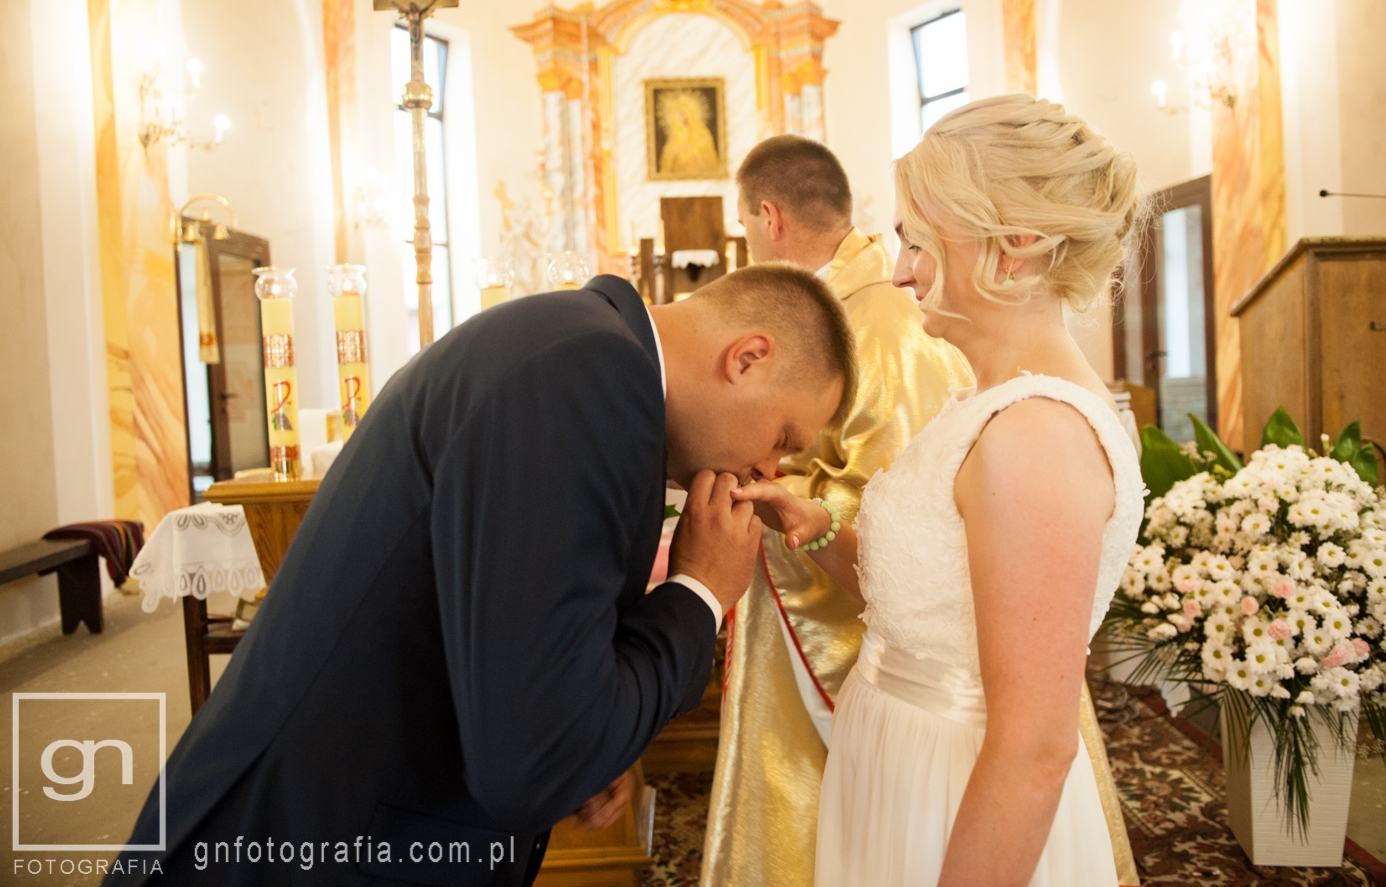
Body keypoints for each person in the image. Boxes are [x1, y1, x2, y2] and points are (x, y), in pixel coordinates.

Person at [106, 265, 855, 887]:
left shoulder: (583, 348)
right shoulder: (594, 374)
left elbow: (531, 663)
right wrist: (698, 593)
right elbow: (536, 762)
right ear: (747, 357)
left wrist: (592, 728)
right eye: (783, 438)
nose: (769, 468)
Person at [735, 95, 1146, 887]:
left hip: (956, 793)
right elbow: (933, 604)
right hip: (901, 768)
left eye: (916, 242)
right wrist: (821, 526)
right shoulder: (987, 405)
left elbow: (1034, 750)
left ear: (1014, 246)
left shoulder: (1036, 434)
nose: (898, 271)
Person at [701, 135, 974, 887]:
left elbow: (905, 488)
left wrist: (779, 482)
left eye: (745, 224)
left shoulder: (879, 318)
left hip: (850, 603)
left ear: (769, 217)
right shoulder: (834, 306)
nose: (748, 240)